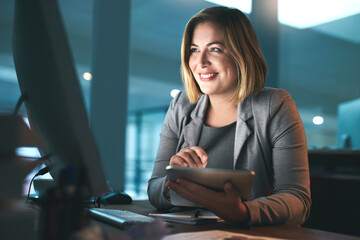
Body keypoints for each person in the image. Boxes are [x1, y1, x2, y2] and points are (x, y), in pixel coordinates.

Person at [147, 6, 311, 226]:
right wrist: (173, 180)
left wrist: (244, 212)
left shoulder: (275, 105)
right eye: (194, 49)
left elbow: (298, 200)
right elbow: (154, 189)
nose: (201, 62)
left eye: (215, 49)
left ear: (241, 53)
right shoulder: (181, 105)